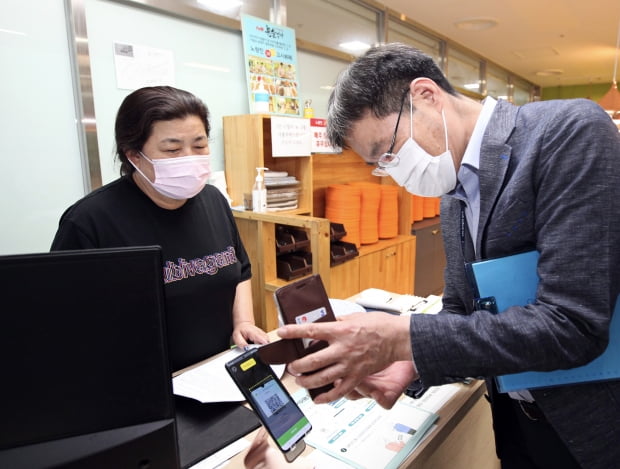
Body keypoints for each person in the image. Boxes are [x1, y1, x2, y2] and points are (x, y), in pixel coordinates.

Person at [245, 43, 620, 469]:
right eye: (380, 164)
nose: (392, 169)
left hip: (590, 426)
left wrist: (400, 337)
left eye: (387, 151)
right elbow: (461, 309)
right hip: (517, 419)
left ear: (426, 95)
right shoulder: (453, 193)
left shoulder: (566, 133)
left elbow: (573, 324)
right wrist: (410, 362)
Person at [51, 86, 268, 371]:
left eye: (200, 146)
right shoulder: (89, 222)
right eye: (172, 149)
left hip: (216, 371)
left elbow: (240, 270)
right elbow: (63, 323)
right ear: (134, 156)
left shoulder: (213, 200)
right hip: (139, 386)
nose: (190, 158)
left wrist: (244, 322)